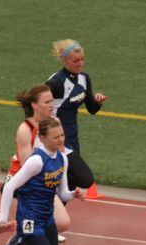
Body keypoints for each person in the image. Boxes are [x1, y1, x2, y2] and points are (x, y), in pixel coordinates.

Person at [0, 117, 86, 245]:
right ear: (43, 138)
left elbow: (62, 193)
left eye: (62, 135)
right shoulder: (36, 161)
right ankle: (18, 244)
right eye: (56, 137)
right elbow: (10, 186)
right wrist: (4, 217)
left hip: (47, 218)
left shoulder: (61, 158)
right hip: (29, 219)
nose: (61, 140)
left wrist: (74, 195)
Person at [0, 85, 72, 245]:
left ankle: (23, 239)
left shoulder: (54, 122)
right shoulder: (26, 129)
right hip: (23, 184)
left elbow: (60, 150)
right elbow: (26, 168)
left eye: (52, 101)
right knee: (31, 225)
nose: (52, 105)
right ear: (34, 105)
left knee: (63, 223)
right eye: (47, 102)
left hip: (44, 181)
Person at [46, 39, 109, 192]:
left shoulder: (84, 79)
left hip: (72, 136)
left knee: (70, 182)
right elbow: (35, 104)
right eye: (75, 61)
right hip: (57, 136)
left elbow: (92, 109)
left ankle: (52, 210)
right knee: (84, 179)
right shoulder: (56, 83)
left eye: (82, 59)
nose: (80, 63)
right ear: (64, 60)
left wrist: (98, 101)